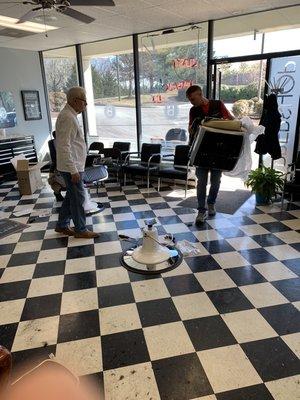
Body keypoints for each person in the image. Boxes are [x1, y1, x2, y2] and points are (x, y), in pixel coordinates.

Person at [55, 86, 99, 238]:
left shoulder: (70, 115)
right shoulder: (68, 117)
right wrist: (73, 170)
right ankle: (80, 229)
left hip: (73, 165)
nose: (86, 104)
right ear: (74, 101)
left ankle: (62, 225)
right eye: (84, 101)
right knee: (78, 198)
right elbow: (63, 146)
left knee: (71, 197)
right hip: (71, 167)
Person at [186, 85, 234, 223]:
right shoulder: (193, 110)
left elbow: (231, 119)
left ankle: (211, 203)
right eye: (189, 100)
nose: (192, 102)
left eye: (193, 99)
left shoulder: (217, 105)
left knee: (215, 181)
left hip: (218, 151)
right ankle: (201, 211)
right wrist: (193, 127)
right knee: (201, 182)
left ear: (200, 95)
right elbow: (190, 130)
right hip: (201, 151)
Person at [48, 131, 65, 202]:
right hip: (57, 166)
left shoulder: (52, 142)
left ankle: (58, 193)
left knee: (58, 181)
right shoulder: (56, 142)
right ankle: (58, 194)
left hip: (57, 165)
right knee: (57, 181)